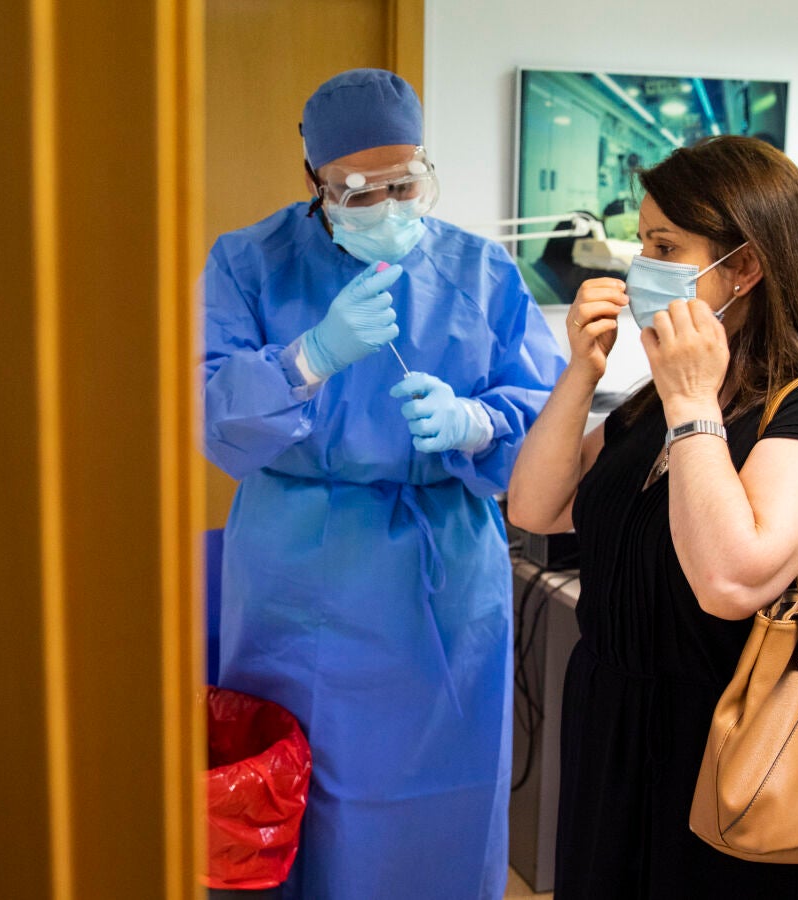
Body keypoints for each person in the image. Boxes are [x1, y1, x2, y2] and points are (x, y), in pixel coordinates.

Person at [202, 69, 563, 899]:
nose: (389, 207)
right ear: (315, 183)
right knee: (302, 795)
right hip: (296, 572)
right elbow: (210, 410)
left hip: (444, 575)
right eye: (359, 192)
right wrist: (307, 360)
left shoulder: (481, 269)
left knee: (446, 795)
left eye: (404, 183)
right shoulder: (249, 263)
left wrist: (478, 423)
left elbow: (543, 411)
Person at [503, 135, 798, 898]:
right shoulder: (659, 400)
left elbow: (728, 581)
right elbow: (537, 507)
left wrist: (690, 400)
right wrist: (582, 370)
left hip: (735, 746)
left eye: (664, 246)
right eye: (642, 242)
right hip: (611, 722)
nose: (637, 267)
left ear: (744, 268)